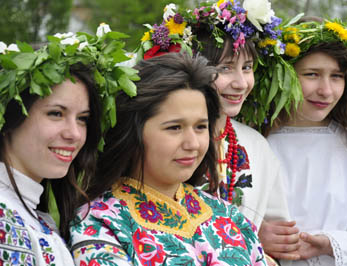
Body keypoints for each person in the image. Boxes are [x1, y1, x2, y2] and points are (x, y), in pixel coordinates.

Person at [69, 53, 273, 266]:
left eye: (201, 127)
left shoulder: (230, 217)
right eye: (174, 127)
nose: (193, 143)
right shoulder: (99, 223)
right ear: (133, 132)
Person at [134, 2, 300, 260]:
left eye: (247, 68)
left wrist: (259, 240)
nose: (241, 83)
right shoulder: (156, 141)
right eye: (224, 68)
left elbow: (279, 237)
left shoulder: (255, 145)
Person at [256, 19, 347, 265]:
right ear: (281, 75)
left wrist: (331, 243)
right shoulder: (249, 146)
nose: (326, 90)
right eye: (312, 74)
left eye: (336, 76)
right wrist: (253, 237)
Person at [0, 24, 138, 265]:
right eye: (56, 113)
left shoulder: (32, 213)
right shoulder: (5, 217)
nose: (74, 134)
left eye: (83, 119)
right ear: (10, 118)